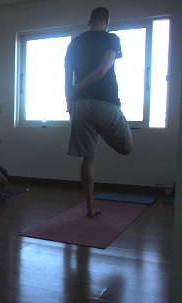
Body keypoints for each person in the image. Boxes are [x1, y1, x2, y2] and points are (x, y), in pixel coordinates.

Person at [64, 7, 133, 217]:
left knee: (88, 157)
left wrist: (70, 102)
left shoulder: (74, 42)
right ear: (107, 21)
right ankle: (101, 130)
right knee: (127, 148)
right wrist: (78, 89)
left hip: (80, 105)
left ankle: (90, 206)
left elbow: (67, 77)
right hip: (105, 100)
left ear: (89, 21)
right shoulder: (112, 38)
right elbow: (103, 70)